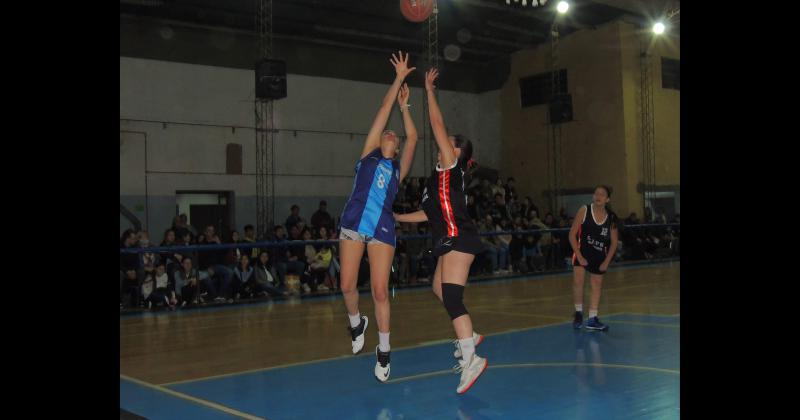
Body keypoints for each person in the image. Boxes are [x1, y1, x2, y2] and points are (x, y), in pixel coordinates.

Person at [393, 68, 487, 394]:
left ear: (458, 152)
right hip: (446, 237)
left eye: (453, 142)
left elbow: (436, 126)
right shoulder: (437, 180)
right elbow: (426, 214)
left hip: (459, 236)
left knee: (451, 296)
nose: (446, 142)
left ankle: (471, 358)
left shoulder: (452, 166)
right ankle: (470, 336)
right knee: (438, 288)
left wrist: (428, 90)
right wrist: (395, 216)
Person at [337, 51, 418, 382]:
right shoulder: (367, 155)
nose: (391, 134)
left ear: (396, 148)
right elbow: (382, 112)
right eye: (388, 133)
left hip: (382, 228)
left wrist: (406, 107)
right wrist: (398, 78)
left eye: (394, 137)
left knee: (381, 291)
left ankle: (383, 352)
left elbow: (413, 136)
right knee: (346, 286)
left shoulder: (399, 167)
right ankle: (357, 322)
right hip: (353, 222)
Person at [569, 185, 619, 332]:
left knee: (596, 285)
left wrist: (606, 261)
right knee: (578, 282)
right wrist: (579, 255)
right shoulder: (584, 210)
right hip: (582, 252)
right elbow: (571, 235)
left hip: (599, 255)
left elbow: (614, 242)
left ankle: (592, 318)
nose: (598, 196)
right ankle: (578, 313)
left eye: (602, 194)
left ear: (607, 199)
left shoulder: (611, 217)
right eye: (596, 193)